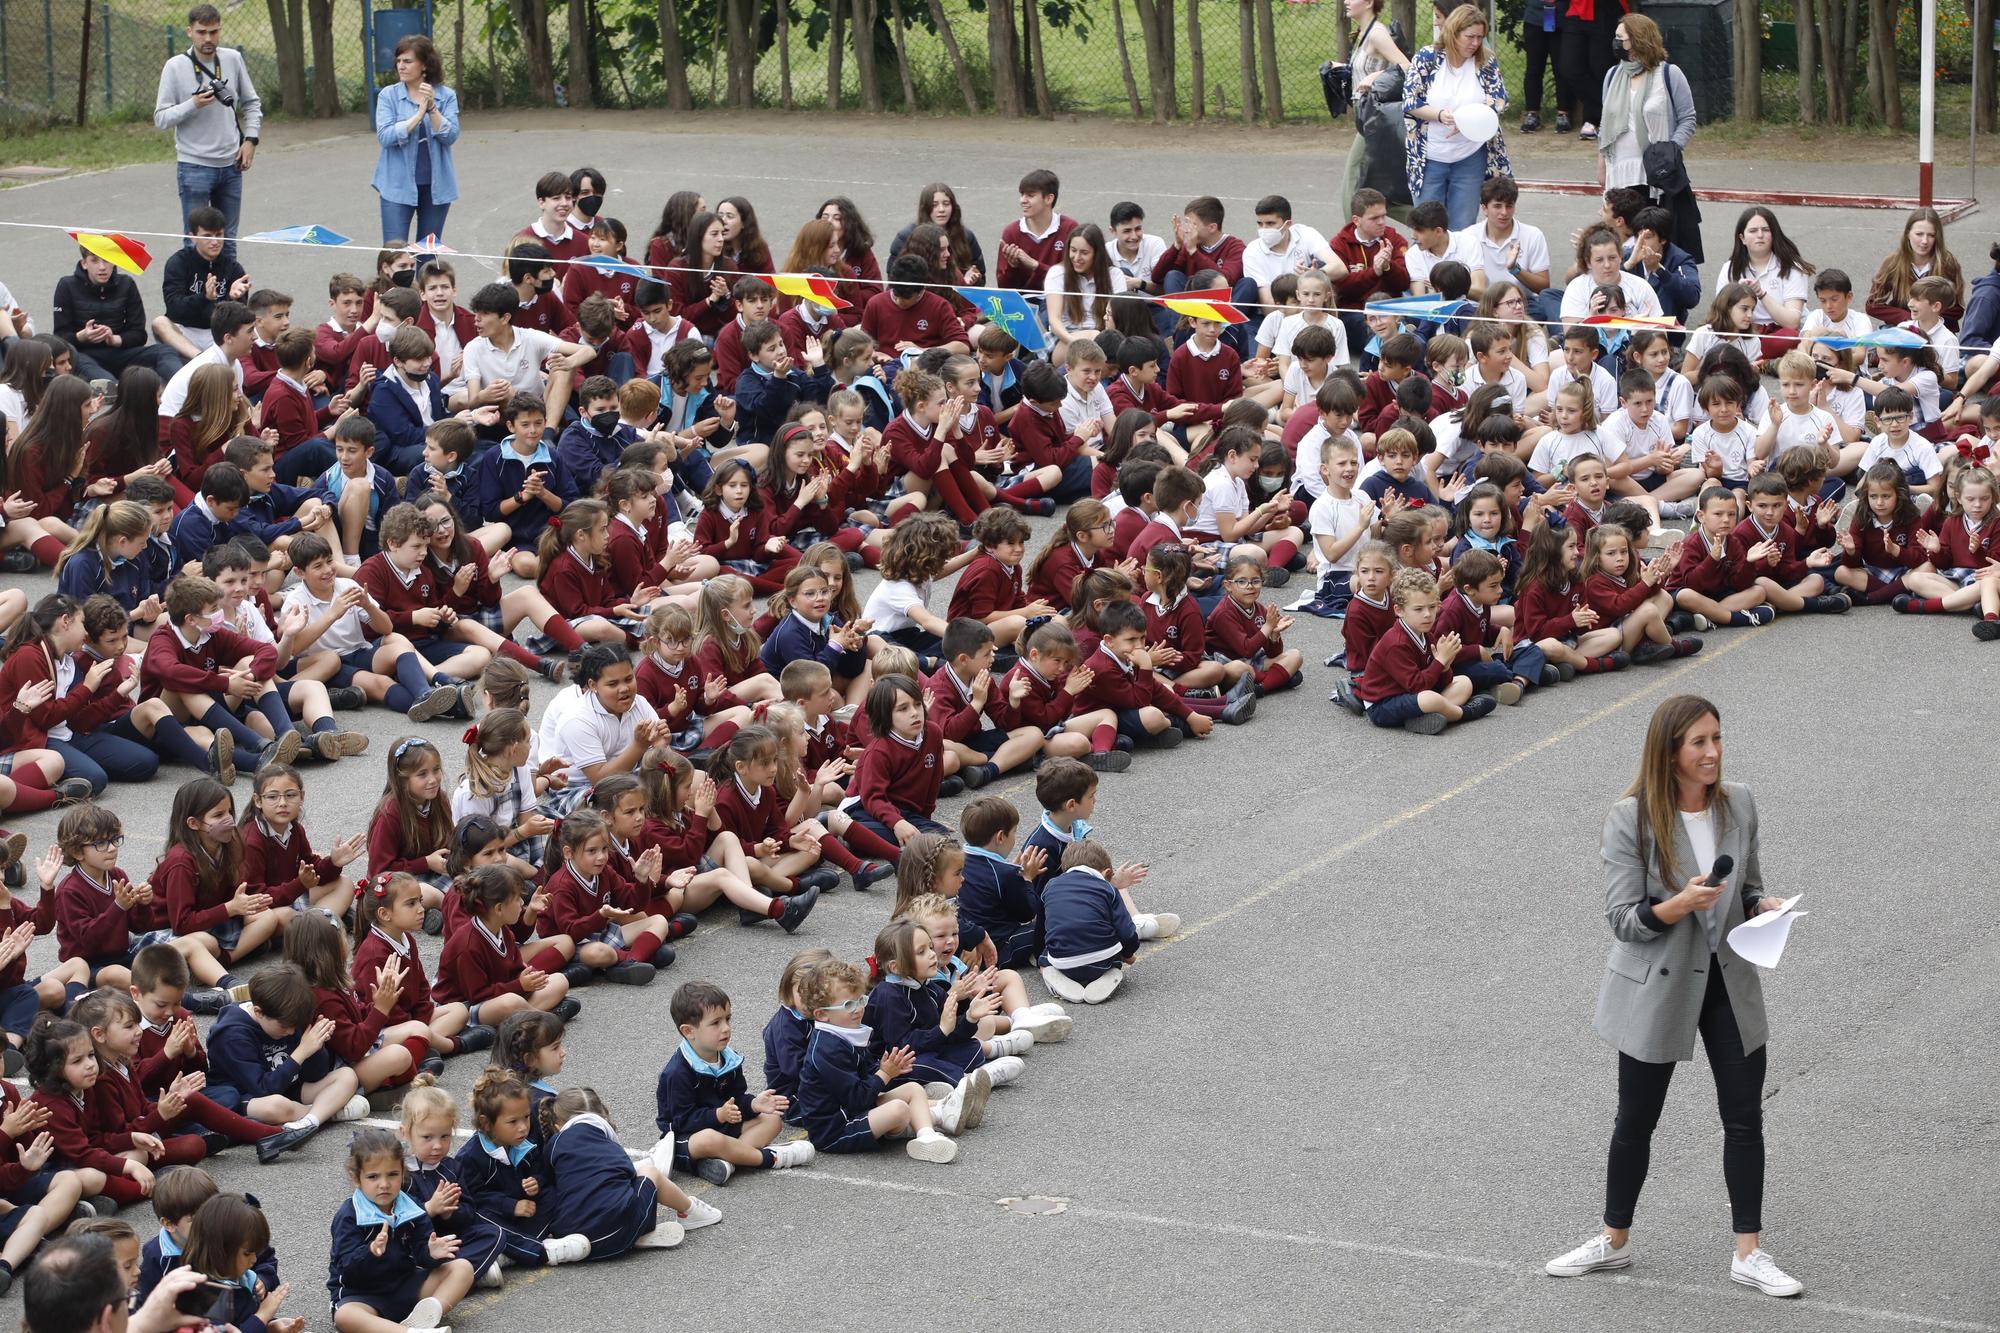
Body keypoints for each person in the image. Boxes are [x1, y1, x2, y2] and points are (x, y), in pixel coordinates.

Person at [1545, 694, 1804, 1300]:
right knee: (1636, 1120)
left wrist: (1762, 906)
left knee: (1744, 1118)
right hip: (1659, 985)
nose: (1713, 752)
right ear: (1670, 752)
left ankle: (1749, 1252)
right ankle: (1613, 1241)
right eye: (1699, 743)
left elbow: (1750, 885)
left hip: (1728, 982)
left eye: (1717, 738)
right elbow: (1623, 920)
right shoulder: (1631, 818)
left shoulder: (1738, 802)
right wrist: (1677, 905)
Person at [153, 3, 261, 259]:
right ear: (189, 31)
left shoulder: (232, 59)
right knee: (196, 244)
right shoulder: (175, 66)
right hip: (194, 167)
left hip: (231, 165)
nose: (208, 39)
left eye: (214, 32)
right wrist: (193, 104)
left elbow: (252, 102)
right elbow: (161, 118)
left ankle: (229, 299)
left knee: (227, 242)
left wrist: (251, 140)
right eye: (202, 32)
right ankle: (197, 297)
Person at [1402, 5, 1512, 232]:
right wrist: (1442, 116)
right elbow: (1411, 102)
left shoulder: (1486, 61)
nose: (1475, 43)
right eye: (1469, 36)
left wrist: (1469, 121)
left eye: (1480, 37)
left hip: (1469, 156)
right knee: (1428, 226)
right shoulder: (1427, 58)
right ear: (1453, 32)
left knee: (1463, 226)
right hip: (1430, 156)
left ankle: (1459, 268)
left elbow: (1499, 99)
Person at [372, 35, 460, 246]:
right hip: (396, 185)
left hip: (436, 187)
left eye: (407, 61)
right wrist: (417, 117)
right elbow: (385, 136)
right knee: (394, 254)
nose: (401, 66)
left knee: (427, 254)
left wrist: (431, 109)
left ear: (425, 65)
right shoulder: (388, 96)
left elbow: (450, 136)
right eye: (399, 61)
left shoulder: (446, 96)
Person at [1596, 16, 1695, 194]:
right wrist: (1601, 165)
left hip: (1656, 170)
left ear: (1638, 40)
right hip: (1619, 170)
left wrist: (1671, 150)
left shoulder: (1669, 74)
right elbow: (1605, 124)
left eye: (1621, 38)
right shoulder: (1612, 76)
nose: (1616, 42)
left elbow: (1687, 119)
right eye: (1615, 37)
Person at [1337, 0, 1412, 219]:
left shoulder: (1377, 34)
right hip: (1366, 117)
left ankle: (1350, 236)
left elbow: (1407, 67)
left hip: (1376, 120)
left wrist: (1374, 76)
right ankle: (1428, 225)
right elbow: (1366, 67)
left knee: (1352, 181)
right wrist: (1340, 69)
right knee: (1376, 191)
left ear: (1369, 2)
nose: (1346, 2)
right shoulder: (1363, 32)